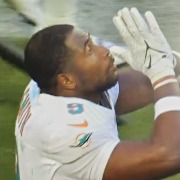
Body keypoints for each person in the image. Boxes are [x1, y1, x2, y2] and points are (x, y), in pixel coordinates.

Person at [15, 7, 180, 180]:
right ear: (67, 80)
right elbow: (170, 154)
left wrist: (164, 60)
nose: (104, 51)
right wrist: (162, 72)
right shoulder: (63, 133)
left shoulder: (59, 83)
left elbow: (148, 84)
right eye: (88, 49)